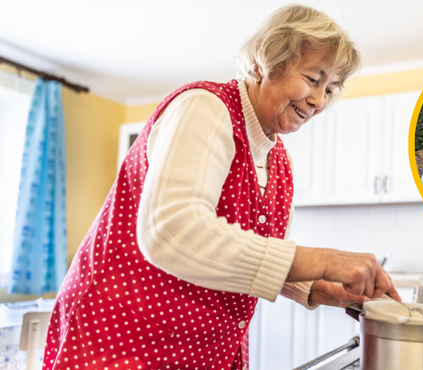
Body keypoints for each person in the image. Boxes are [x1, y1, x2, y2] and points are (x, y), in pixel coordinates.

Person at [43, 5, 400, 370]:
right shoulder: (204, 107)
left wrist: (311, 286)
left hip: (205, 352)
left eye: (331, 88)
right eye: (312, 79)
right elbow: (172, 232)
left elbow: (250, 255)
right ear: (266, 61)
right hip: (126, 345)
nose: (319, 100)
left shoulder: (279, 159)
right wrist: (324, 260)